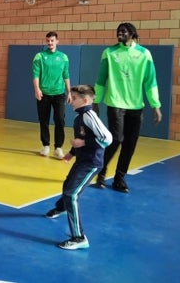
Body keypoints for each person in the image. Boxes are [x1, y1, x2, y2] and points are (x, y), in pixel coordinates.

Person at [93, 22, 162, 193]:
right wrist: (96, 101)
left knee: (130, 143)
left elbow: (150, 82)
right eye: (118, 31)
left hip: (135, 106)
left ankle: (119, 178)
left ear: (132, 34)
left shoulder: (145, 54)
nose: (119, 33)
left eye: (123, 31)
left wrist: (155, 105)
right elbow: (101, 79)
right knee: (115, 139)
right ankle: (100, 172)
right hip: (115, 103)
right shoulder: (109, 53)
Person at [45, 84, 113, 250]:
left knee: (71, 194)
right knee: (67, 185)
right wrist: (72, 152)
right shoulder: (79, 117)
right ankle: (61, 208)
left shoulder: (90, 116)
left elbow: (107, 138)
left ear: (85, 100)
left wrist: (83, 143)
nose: (70, 101)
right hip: (82, 160)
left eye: (74, 98)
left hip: (91, 163)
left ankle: (79, 237)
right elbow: (81, 137)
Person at [32, 31, 72, 159]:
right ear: (46, 41)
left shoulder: (64, 57)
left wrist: (69, 92)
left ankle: (58, 148)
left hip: (59, 94)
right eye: (48, 40)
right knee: (43, 120)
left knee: (60, 120)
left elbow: (66, 75)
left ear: (57, 41)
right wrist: (37, 89)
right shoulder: (39, 56)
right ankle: (46, 146)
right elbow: (35, 74)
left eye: (52, 40)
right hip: (44, 94)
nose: (50, 43)